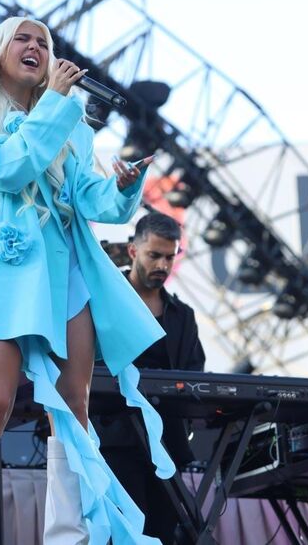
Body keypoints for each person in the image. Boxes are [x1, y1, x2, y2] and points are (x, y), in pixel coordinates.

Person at [0, 16, 175, 545]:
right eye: (22, 38)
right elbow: (8, 169)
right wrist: (57, 107)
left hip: (66, 274)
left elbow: (91, 201)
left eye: (43, 42)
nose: (35, 47)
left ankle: (69, 538)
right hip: (7, 272)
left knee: (72, 408)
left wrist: (123, 188)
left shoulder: (72, 125)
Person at [96, 211, 206, 544]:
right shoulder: (103, 301)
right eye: (154, 255)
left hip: (167, 442)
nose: (162, 265)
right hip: (115, 438)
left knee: (163, 531)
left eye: (169, 257)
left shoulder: (182, 316)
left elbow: (193, 374)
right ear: (133, 252)